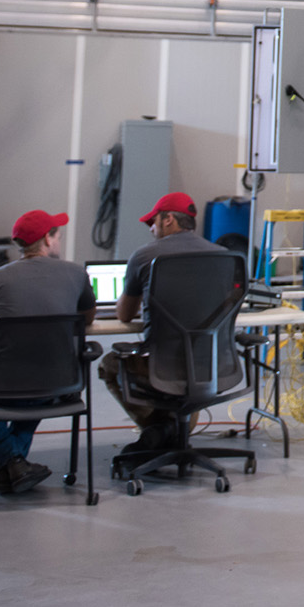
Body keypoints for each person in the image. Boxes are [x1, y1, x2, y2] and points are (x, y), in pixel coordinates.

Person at [0, 209, 96, 496]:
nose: (58, 241)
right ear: (47, 240)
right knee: (37, 381)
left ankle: (8, 462)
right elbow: (86, 320)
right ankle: (14, 463)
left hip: (6, 384)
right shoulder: (75, 273)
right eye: (57, 235)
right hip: (61, 383)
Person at [99, 191, 230, 450]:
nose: (151, 230)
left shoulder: (145, 256)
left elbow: (124, 315)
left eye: (153, 223)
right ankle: (171, 431)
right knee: (188, 377)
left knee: (110, 363)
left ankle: (158, 430)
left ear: (168, 219)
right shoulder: (223, 255)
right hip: (215, 365)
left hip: (164, 367)